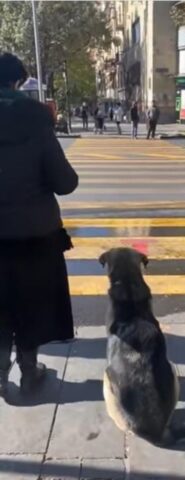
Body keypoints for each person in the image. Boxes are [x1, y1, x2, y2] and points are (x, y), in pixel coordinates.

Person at [0, 53, 78, 397]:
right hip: (33, 234)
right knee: (29, 304)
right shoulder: (35, 116)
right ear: (18, 82)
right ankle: (29, 372)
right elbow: (64, 182)